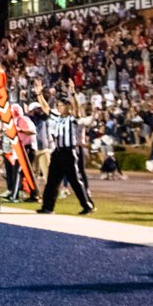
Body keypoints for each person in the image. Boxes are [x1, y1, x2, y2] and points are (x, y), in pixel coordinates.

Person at [34, 79, 94, 215]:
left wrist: (72, 94)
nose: (60, 108)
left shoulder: (72, 118)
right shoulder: (56, 117)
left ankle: (87, 205)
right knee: (51, 181)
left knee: (75, 181)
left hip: (69, 153)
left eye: (62, 106)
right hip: (58, 152)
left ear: (68, 107)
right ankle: (47, 207)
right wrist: (39, 94)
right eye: (59, 105)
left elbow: (77, 109)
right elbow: (46, 108)